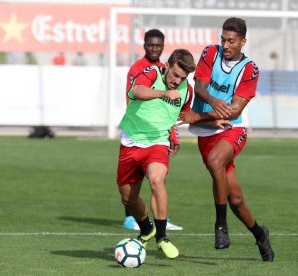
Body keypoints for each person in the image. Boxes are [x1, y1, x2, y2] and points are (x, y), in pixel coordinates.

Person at [178, 17, 275, 262]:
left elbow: (234, 112)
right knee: (236, 199)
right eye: (223, 39)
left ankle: (220, 225)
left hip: (233, 129)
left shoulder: (250, 69)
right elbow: (199, 87)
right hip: (206, 130)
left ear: (243, 41)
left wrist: (195, 116)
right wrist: (209, 106)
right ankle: (259, 233)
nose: (226, 45)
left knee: (215, 161)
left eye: (231, 41)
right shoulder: (211, 53)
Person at [116, 49, 199, 259]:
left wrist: (175, 135)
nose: (177, 81)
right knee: (128, 198)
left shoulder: (187, 90)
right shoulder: (152, 73)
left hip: (158, 143)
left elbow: (179, 115)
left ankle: (162, 237)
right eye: (175, 75)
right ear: (168, 66)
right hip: (131, 142)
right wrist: (163, 93)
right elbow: (137, 91)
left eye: (183, 77)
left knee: (156, 179)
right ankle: (146, 228)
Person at [122, 29, 183, 232]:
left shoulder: (168, 71)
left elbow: (170, 110)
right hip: (137, 131)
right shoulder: (138, 68)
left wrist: (172, 133)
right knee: (130, 189)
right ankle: (131, 216)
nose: (154, 48)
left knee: (156, 178)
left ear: (163, 47)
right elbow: (132, 96)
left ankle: (159, 224)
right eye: (151, 45)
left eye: (158, 45)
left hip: (157, 136)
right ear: (144, 45)